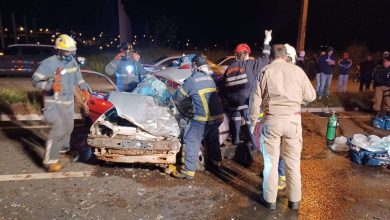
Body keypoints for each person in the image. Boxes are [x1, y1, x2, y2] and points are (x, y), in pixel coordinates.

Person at [249, 44, 316, 210]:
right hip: (293, 121)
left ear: (271, 57)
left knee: (271, 162)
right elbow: (311, 96)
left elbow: (254, 102)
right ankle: (294, 201)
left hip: (272, 120)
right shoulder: (297, 71)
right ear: (286, 56)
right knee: (293, 163)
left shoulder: (265, 71)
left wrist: (252, 123)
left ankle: (270, 200)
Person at [32, 34, 89, 172]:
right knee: (58, 128)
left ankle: (63, 150)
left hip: (68, 101)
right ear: (59, 50)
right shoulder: (48, 63)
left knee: (69, 127)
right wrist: (50, 87)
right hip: (53, 102)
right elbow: (35, 81)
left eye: (72, 51)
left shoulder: (72, 62)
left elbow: (78, 76)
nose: (70, 54)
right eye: (67, 52)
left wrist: (84, 88)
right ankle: (50, 161)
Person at [170, 54, 225, 179]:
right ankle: (216, 163)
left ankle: (188, 171)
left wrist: (171, 98)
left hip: (203, 119)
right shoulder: (209, 78)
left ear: (194, 65)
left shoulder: (192, 80)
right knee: (212, 138)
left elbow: (177, 98)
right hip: (218, 117)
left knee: (190, 139)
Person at [221, 30, 272, 152]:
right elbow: (265, 59)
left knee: (236, 121)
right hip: (246, 101)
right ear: (245, 54)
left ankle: (236, 143)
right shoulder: (249, 65)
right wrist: (267, 41)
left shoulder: (229, 68)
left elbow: (223, 86)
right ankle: (254, 146)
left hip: (233, 104)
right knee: (250, 122)